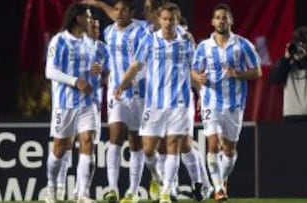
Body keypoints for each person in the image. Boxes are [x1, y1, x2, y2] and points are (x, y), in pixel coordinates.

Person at [114, 3, 195, 203]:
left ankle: (167, 191)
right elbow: (135, 66)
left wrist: (202, 93)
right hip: (154, 104)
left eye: (172, 19)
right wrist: (122, 85)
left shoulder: (186, 42)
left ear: (177, 21)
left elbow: (195, 69)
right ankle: (158, 177)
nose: (168, 23)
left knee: (172, 144)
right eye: (165, 19)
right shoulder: (149, 40)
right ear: (159, 20)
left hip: (179, 103)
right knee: (148, 150)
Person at [191, 3, 262, 202]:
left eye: (225, 17)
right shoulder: (204, 46)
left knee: (229, 150)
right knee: (212, 146)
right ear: (212, 22)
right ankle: (219, 189)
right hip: (210, 101)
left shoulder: (243, 45)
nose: (221, 20)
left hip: (234, 104)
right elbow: (193, 71)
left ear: (231, 20)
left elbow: (257, 71)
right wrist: (198, 78)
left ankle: (221, 180)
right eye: (218, 17)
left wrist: (238, 74)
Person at [44, 3, 100, 203]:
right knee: (60, 148)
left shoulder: (89, 42)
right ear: (77, 18)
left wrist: (96, 72)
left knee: (88, 142)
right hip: (64, 103)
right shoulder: (59, 41)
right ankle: (51, 188)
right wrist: (75, 81)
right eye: (88, 16)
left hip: (87, 103)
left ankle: (81, 193)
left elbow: (91, 70)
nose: (91, 20)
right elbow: (50, 71)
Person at [102, 1, 146, 203]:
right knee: (116, 136)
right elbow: (109, 60)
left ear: (132, 12)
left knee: (136, 141)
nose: (119, 13)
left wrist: (132, 80)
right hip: (116, 94)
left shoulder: (143, 29)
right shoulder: (108, 31)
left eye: (124, 10)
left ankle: (132, 192)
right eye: (116, 9)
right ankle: (112, 189)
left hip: (139, 93)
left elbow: (146, 61)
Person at [269, 26, 307, 121]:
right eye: (298, 44)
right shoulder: (288, 62)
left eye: (304, 44)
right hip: (292, 115)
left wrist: (304, 60)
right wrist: (285, 60)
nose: (301, 47)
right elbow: (274, 79)